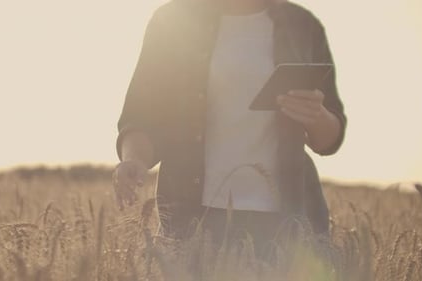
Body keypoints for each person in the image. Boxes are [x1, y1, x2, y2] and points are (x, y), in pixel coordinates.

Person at [113, 0, 346, 251]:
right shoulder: (172, 21)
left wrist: (316, 114)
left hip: (286, 221)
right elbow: (141, 115)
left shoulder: (303, 25)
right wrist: (135, 159)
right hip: (194, 217)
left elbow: (329, 139)